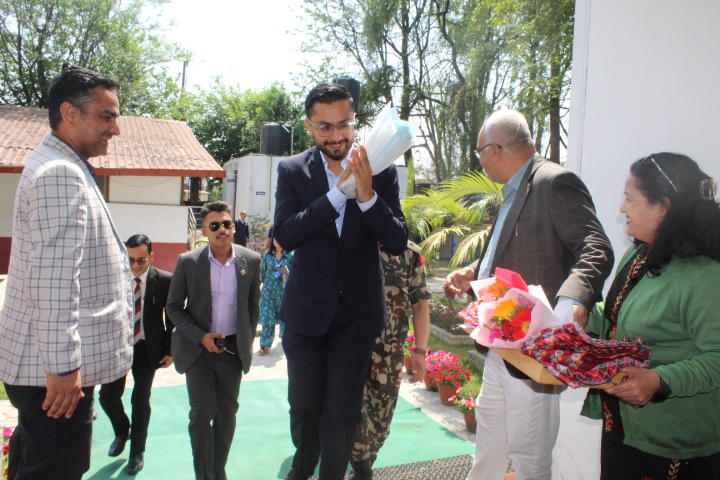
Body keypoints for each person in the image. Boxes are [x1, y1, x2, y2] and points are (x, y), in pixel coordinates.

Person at [444, 109, 614, 480]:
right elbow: (511, 247)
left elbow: (596, 247)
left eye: (479, 152)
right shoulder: (515, 188)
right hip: (502, 346)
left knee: (529, 458)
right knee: (489, 444)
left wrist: (570, 303)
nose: (480, 160)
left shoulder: (554, 182)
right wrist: (475, 272)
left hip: (532, 350)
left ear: (495, 150)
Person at [0, 66, 132, 480]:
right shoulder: (61, 173)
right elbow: (53, 283)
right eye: (107, 117)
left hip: (45, 372)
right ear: (69, 113)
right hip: (53, 378)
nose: (116, 128)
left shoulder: (59, 163)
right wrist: (62, 370)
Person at [274, 83, 408, 480]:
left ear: (354, 121)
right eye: (325, 127)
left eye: (344, 125)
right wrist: (338, 196)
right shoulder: (292, 170)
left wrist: (366, 197)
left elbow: (397, 239)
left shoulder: (380, 168)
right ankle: (303, 467)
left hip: (357, 314)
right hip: (306, 312)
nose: (336, 136)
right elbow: (285, 234)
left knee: (341, 411)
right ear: (309, 126)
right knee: (303, 406)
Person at [581, 153, 720, 479]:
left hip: (671, 440)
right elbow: (618, 313)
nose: (622, 208)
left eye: (630, 199)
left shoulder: (703, 275)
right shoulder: (640, 252)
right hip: (624, 425)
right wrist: (579, 314)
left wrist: (658, 380)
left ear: (664, 208)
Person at [166, 201, 261, 480]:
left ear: (234, 227)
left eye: (226, 224)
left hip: (232, 351)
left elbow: (253, 306)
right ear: (205, 231)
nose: (222, 230)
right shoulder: (188, 262)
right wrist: (200, 337)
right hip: (198, 351)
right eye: (215, 225)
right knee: (200, 415)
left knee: (226, 415)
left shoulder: (251, 260)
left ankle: (217, 469)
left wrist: (244, 337)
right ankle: (204, 476)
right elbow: (173, 307)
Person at [349, 241, 431, 480]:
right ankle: (361, 467)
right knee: (350, 413)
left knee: (381, 421)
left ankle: (367, 457)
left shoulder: (408, 252)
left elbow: (420, 303)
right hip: (349, 349)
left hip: (389, 353)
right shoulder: (347, 240)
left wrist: (420, 351)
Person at [98, 234, 174, 475]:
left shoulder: (164, 280)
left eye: (141, 260)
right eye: (130, 259)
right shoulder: (115, 278)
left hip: (147, 349)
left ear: (151, 256)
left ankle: (137, 452)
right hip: (118, 347)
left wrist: (170, 350)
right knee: (107, 397)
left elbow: (171, 317)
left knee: (140, 400)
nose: (135, 265)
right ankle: (123, 430)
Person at [258, 231, 293, 354]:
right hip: (268, 291)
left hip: (284, 291)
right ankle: (265, 345)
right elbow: (263, 273)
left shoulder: (290, 256)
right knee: (267, 318)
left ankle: (286, 341)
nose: (277, 241)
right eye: (275, 238)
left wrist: (288, 277)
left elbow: (295, 272)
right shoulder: (268, 255)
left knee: (285, 318)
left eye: (280, 238)